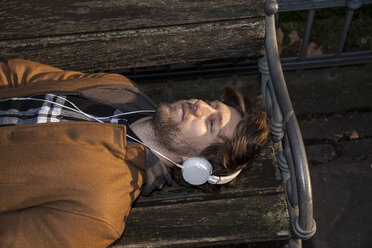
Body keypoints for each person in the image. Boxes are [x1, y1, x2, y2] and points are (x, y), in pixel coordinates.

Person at [0, 59, 269, 247]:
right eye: (212, 105)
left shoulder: (101, 211)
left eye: (211, 124)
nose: (200, 104)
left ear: (197, 165)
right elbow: (19, 75)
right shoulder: (120, 89)